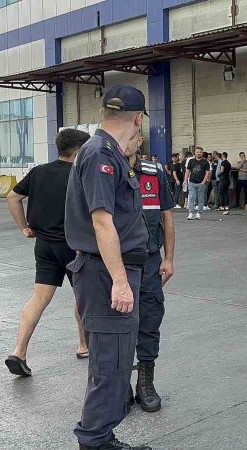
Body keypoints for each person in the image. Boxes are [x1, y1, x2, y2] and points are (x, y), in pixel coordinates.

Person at [64, 84, 151, 450]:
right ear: (136, 118)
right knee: (110, 366)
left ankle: (101, 434)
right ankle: (95, 441)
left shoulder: (107, 152)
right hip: (105, 274)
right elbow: (102, 222)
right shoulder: (101, 153)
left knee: (113, 363)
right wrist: (119, 281)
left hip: (110, 270)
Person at [4, 128, 91, 377]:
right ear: (78, 151)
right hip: (75, 247)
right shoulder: (80, 173)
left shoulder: (39, 171)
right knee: (83, 296)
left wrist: (24, 228)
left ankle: (19, 351)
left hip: (44, 245)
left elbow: (12, 198)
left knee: (39, 299)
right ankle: (84, 345)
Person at [127, 135, 176, 413]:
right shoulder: (104, 171)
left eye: (133, 136)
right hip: (117, 264)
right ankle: (120, 384)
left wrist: (168, 257)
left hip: (149, 262)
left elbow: (167, 216)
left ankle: (145, 382)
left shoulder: (153, 173)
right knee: (118, 326)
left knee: (149, 320)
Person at [185, 148, 210, 220]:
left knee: (200, 199)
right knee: (191, 198)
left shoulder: (205, 162)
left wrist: (203, 182)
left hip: (201, 183)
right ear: (195, 153)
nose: (199, 153)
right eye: (197, 152)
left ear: (202, 153)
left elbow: (207, 173)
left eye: (200, 152)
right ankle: (191, 213)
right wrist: (185, 180)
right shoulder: (191, 161)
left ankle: (199, 213)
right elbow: (187, 171)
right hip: (192, 183)